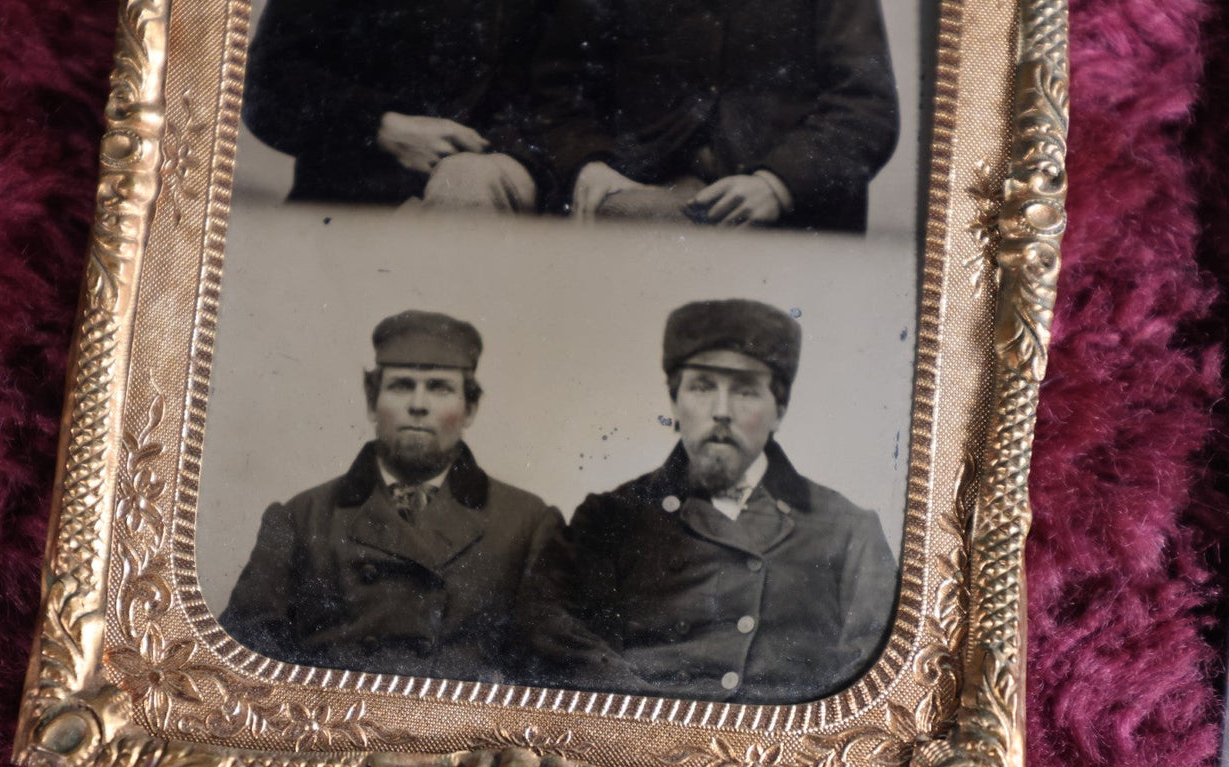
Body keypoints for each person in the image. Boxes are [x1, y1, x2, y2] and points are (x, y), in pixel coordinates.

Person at [524, 299, 898, 703]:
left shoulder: (847, 530)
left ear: (780, 410)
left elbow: (874, 667)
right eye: (702, 387)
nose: (721, 411)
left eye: (745, 391)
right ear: (674, 402)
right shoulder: (609, 519)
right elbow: (546, 629)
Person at [220, 311, 562, 682]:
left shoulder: (526, 523)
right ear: (372, 402)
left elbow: (557, 665)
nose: (418, 404)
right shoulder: (301, 518)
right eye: (401, 385)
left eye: (439, 388)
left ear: (469, 409)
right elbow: (242, 658)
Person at [531, 0, 900, 230]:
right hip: (642, 192)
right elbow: (556, 90)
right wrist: (587, 163)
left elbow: (867, 108)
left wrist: (778, 185)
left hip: (785, 214)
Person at [242, 0, 551, 211]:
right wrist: (379, 125)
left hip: (489, 200)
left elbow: (566, 90)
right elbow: (267, 82)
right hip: (348, 209)